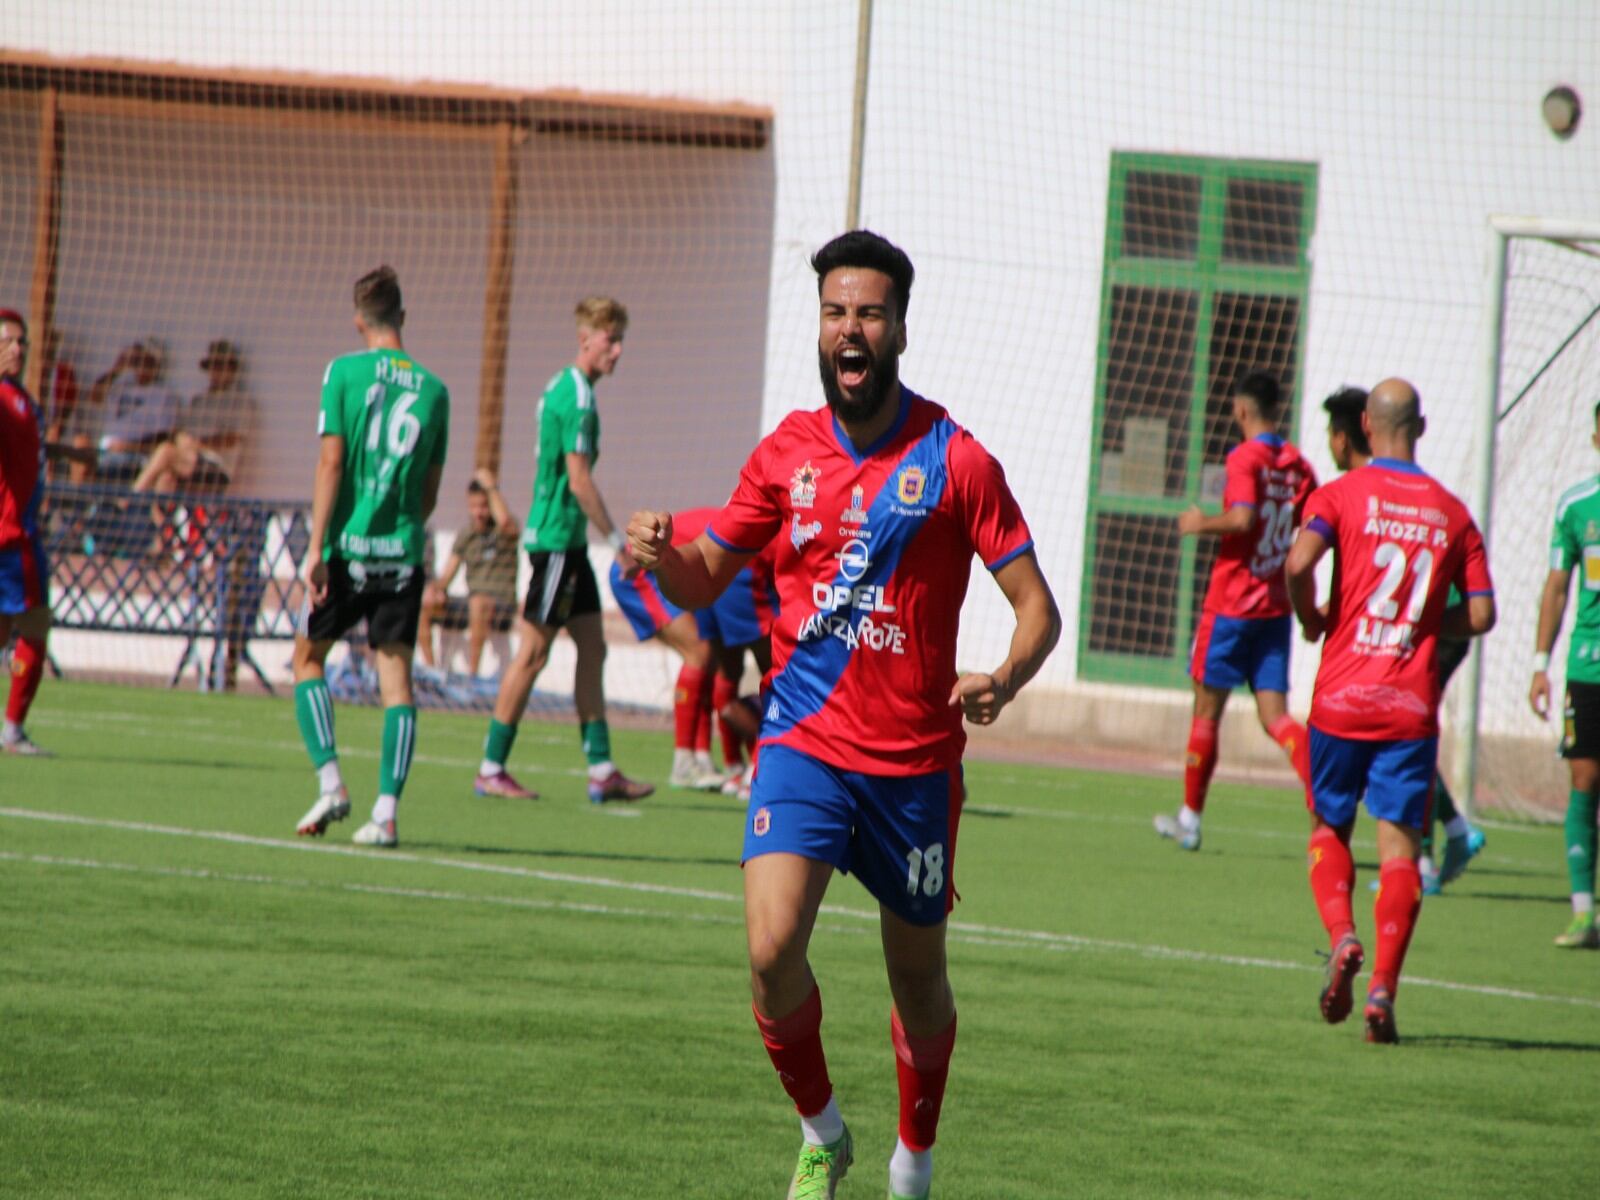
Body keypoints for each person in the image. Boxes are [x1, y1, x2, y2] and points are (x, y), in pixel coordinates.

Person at [626, 230, 1061, 1200]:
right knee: (771, 950)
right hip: (803, 746)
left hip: (913, 768)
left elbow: (1040, 611)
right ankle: (823, 1132)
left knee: (917, 981)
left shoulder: (958, 460)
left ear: (900, 327)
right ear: (819, 330)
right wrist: (662, 552)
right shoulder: (784, 453)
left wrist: (1006, 676)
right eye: (834, 312)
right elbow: (704, 580)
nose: (850, 329)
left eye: (867, 312)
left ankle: (916, 1156)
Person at [1286, 378, 1495, 1044]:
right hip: (1409, 707)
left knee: (1328, 830)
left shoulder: (1340, 494)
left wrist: (1314, 615)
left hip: (1342, 700)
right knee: (1401, 852)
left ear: (1367, 429)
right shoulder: (1453, 512)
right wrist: (1430, 624)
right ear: (1421, 427)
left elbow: (1297, 563)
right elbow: (1485, 613)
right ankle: (1382, 991)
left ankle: (1343, 935)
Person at [291, 266, 449, 848]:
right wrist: (403, 530)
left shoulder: (344, 372)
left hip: (346, 551)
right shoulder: (435, 391)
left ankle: (332, 782)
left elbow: (331, 462)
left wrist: (316, 546)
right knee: (396, 683)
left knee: (308, 661)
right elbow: (430, 491)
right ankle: (385, 813)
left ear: (360, 320)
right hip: (402, 554)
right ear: (402, 317)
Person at [473, 297, 653, 805]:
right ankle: (490, 766)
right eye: (610, 341)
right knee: (531, 654)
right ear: (585, 339)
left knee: (593, 649)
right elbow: (578, 481)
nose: (617, 351)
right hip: (556, 545)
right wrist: (619, 541)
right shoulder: (576, 397)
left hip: (567, 545)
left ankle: (601, 770)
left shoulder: (563, 387)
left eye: (621, 342)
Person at [1325, 385, 1485, 895]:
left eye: (1330, 433)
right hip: (1417, 627)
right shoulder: (1431, 501)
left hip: (1411, 635)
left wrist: (1419, 623)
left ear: (1353, 433)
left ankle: (1425, 860)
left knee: (1400, 730)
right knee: (1403, 730)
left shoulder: (1358, 492)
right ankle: (1451, 833)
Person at [1153, 370, 1317, 851]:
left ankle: (1191, 818)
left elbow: (1244, 518)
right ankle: (1325, 792)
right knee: (1277, 718)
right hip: (1274, 607)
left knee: (1207, 712)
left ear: (1241, 410)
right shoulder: (1299, 466)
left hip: (1230, 607)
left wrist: (1201, 522)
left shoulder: (1245, 457)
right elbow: (1312, 526)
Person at [1529, 399, 1600, 950]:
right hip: (1587, 667)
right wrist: (1539, 665)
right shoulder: (1576, 506)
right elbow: (1557, 588)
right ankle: (1582, 913)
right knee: (1584, 780)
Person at [608, 507, 729, 790]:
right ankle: (683, 763)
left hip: (668, 569)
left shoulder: (739, 518)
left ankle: (700, 757)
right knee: (698, 653)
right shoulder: (739, 524)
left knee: (707, 657)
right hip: (637, 571)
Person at [0, 310, 53, 756]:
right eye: (9, 342)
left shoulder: (21, 398)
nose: (18, 350)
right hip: (15, 539)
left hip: (17, 534)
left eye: (22, 343)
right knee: (36, 628)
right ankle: (13, 731)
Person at [418, 469, 520, 677]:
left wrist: (491, 487)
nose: (478, 512)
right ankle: (432, 671)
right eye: (473, 506)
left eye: (483, 506)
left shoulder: (504, 529)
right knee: (425, 602)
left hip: (502, 605)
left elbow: (508, 525)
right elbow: (448, 575)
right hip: (472, 604)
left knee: (478, 602)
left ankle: (472, 676)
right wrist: (435, 590)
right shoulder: (467, 535)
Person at [131, 339, 258, 495]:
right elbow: (180, 432)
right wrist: (182, 441)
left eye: (221, 365)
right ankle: (158, 519)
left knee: (165, 451)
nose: (216, 371)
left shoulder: (240, 401)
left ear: (231, 369)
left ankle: (127, 501)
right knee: (165, 477)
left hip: (215, 466)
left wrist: (199, 444)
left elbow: (233, 439)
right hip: (187, 458)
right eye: (213, 366)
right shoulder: (198, 400)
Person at [84, 340, 182, 481]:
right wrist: (117, 368)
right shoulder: (121, 386)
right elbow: (94, 396)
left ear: (156, 364)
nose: (141, 366)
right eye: (137, 361)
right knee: (80, 446)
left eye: (146, 361)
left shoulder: (164, 395)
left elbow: (164, 439)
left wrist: (127, 447)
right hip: (104, 450)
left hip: (134, 455)